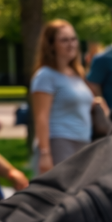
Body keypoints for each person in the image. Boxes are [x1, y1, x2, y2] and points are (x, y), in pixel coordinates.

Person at [30, 20, 102, 174]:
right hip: (59, 142)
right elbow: (41, 117)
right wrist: (45, 154)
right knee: (59, 196)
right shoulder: (45, 75)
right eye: (64, 40)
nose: (71, 44)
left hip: (83, 142)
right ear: (51, 45)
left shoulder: (76, 74)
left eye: (73, 39)